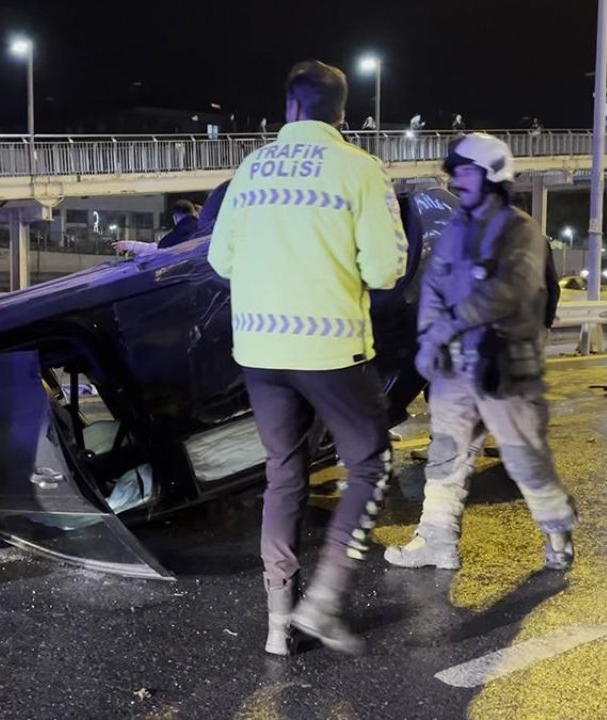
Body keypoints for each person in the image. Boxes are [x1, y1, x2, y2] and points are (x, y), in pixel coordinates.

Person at [209, 60, 409, 655]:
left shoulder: (251, 169)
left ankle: (277, 621)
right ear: (342, 113)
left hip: (260, 350)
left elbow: (220, 261)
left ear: (290, 109)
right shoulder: (361, 170)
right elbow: (385, 268)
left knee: (283, 475)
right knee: (369, 464)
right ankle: (323, 603)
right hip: (329, 350)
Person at [384, 133, 577, 573]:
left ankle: (558, 531)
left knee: (524, 459)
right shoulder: (456, 230)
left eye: (467, 171)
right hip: (456, 370)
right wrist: (432, 334)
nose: (457, 179)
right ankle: (437, 540)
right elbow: (433, 287)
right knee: (446, 454)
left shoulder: (520, 231)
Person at [113, 199, 202, 256]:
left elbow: (156, 250)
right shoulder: (205, 227)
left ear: (175, 217)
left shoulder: (175, 236)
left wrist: (129, 245)